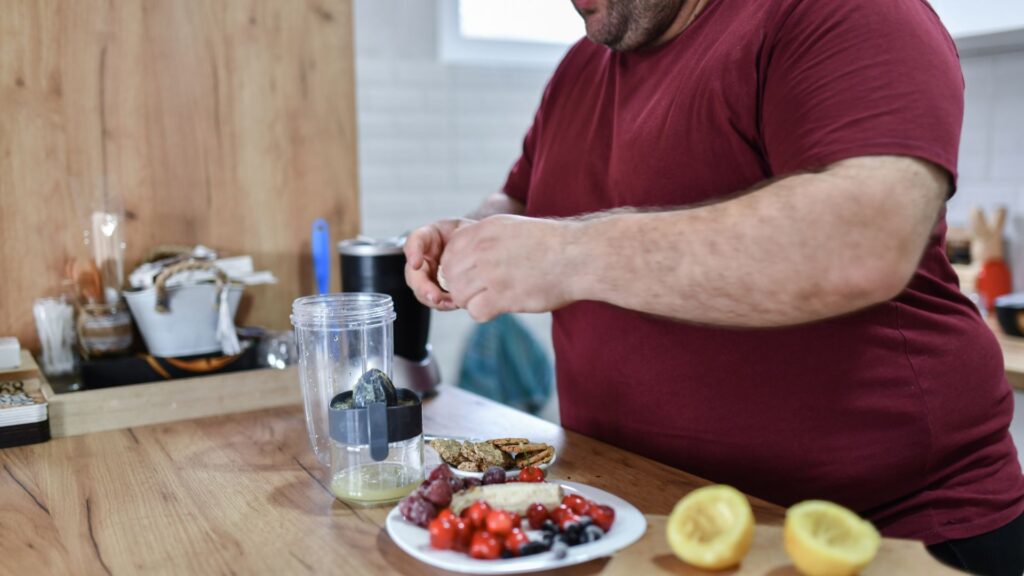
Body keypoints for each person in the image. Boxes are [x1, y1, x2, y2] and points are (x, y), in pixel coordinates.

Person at [404, 1, 1024, 573]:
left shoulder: (845, 13)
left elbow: (865, 242)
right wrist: (473, 234)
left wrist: (567, 254)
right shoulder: (579, 68)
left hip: (884, 533)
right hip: (646, 517)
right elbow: (523, 197)